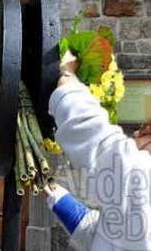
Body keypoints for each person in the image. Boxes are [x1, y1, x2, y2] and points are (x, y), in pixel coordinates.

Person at [45, 51, 151, 250]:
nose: (136, 135)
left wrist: (67, 73)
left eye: (145, 133)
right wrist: (57, 196)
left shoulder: (141, 173)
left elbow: (87, 128)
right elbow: (108, 233)